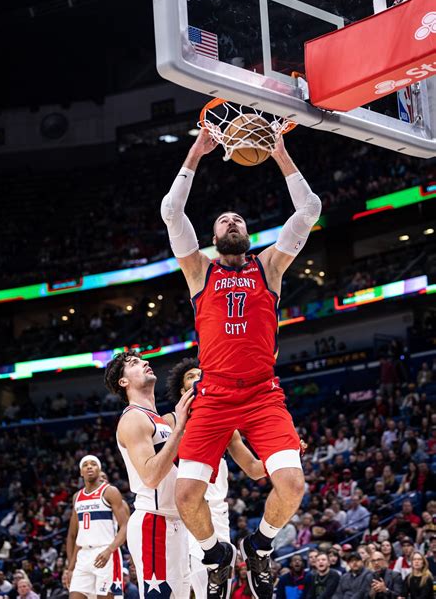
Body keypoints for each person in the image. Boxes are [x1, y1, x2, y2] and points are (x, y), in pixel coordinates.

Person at [161, 124, 321, 598]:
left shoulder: (269, 266)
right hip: (212, 395)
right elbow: (171, 211)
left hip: (262, 393)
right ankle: (216, 556)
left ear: (248, 234)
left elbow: (309, 209)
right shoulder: (198, 272)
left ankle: (261, 546)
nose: (231, 223)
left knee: (292, 485)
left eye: (238, 220)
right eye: (223, 221)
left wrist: (281, 155)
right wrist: (195, 153)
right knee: (186, 496)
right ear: (212, 237)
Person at [166, 358, 266, 599]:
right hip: (175, 514)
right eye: (191, 376)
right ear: (182, 390)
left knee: (209, 592)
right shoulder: (168, 422)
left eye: (202, 374)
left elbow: (253, 468)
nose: (198, 378)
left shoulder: (226, 424)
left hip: (213, 514)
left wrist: (287, 455)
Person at [104, 352, 192, 599]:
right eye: (134, 363)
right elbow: (151, 476)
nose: (145, 362)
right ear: (124, 382)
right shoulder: (133, 418)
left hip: (176, 523)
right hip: (153, 523)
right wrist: (180, 428)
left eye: (143, 360)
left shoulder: (159, 420)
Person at [66, 454, 128, 599]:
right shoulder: (77, 497)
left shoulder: (110, 492)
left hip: (105, 552)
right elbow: (72, 534)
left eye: (93, 464)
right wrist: (70, 567)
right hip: (83, 556)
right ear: (81, 472)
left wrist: (109, 550)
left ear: (99, 470)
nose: (89, 466)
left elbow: (125, 526)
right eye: (85, 465)